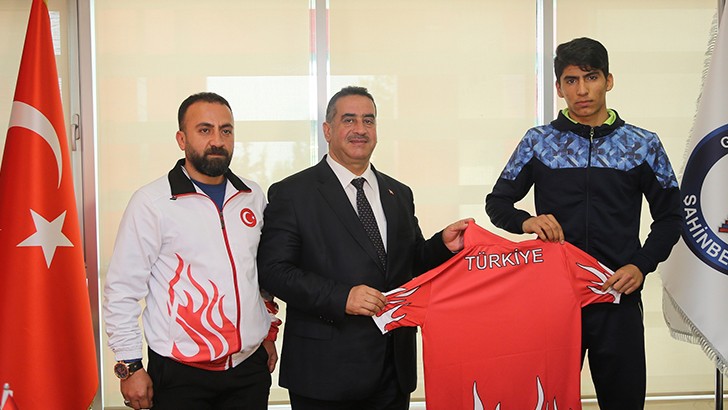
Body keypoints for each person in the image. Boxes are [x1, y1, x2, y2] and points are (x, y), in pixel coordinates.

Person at [485, 37, 681, 409]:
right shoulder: (538, 142)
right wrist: (527, 221)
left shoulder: (643, 144)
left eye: (591, 77)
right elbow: (497, 203)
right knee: (545, 401)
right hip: (553, 301)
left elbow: (672, 216)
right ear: (559, 88)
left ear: (609, 80)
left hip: (617, 298)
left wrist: (641, 265)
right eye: (571, 80)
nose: (582, 90)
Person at [257, 85, 471, 410]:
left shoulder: (399, 194)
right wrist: (341, 297)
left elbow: (410, 264)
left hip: (393, 370)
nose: (360, 129)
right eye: (349, 120)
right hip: (324, 373)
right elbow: (274, 271)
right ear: (327, 130)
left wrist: (442, 245)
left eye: (368, 120)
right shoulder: (293, 193)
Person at [103, 92, 281, 410]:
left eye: (226, 130)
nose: (217, 141)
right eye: (204, 130)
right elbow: (122, 290)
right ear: (181, 139)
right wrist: (130, 365)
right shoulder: (152, 202)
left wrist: (266, 334)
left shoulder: (252, 195)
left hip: (248, 369)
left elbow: (260, 276)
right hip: (180, 373)